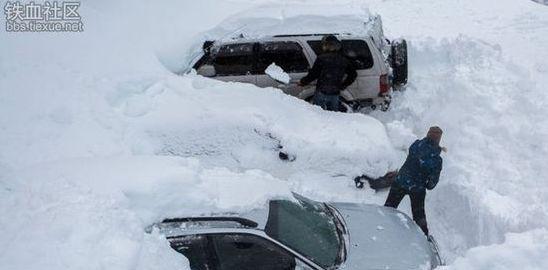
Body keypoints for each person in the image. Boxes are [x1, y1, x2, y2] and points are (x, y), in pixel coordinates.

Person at [384, 126, 444, 236]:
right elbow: (431, 184)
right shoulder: (436, 159)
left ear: (427, 135)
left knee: (388, 208)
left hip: (400, 181)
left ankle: (381, 227)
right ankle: (425, 239)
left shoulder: (416, 145)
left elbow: (418, 154)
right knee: (419, 216)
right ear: (438, 140)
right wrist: (427, 183)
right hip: (417, 189)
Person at [298, 35, 357, 111]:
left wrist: (302, 82)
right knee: (333, 115)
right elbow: (353, 74)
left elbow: (313, 74)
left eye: (325, 45)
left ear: (327, 46)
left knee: (319, 114)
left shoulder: (321, 58)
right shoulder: (343, 59)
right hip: (335, 93)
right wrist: (343, 85)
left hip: (321, 92)